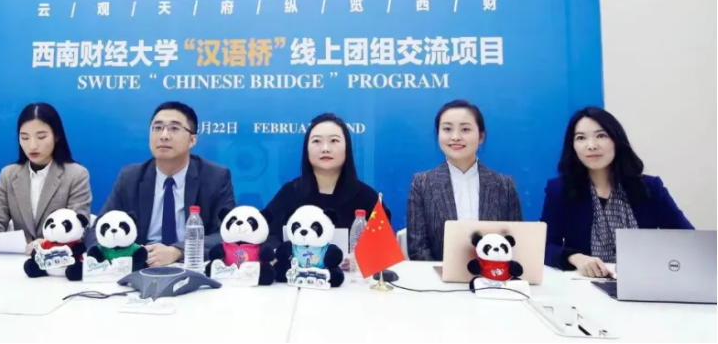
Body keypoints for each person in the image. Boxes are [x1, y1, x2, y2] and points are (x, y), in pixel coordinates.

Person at [541, 107, 693, 277]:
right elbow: (543, 247)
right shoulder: (560, 190)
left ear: (616, 140)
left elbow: (688, 239)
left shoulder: (650, 187)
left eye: (601, 136)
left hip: (645, 279)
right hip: (585, 284)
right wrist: (574, 257)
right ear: (573, 146)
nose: (591, 146)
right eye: (581, 138)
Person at [89, 101, 236, 267]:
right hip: (140, 265)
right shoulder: (130, 177)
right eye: (157, 128)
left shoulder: (215, 177)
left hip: (190, 264)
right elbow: (97, 230)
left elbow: (228, 233)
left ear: (192, 140)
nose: (164, 135)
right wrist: (124, 255)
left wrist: (177, 251)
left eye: (174, 128)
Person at [406, 99, 523, 261]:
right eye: (447, 129)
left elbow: (515, 242)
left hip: (494, 274)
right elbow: (417, 249)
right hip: (437, 275)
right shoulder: (422, 184)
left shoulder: (504, 185)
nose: (455, 137)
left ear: (481, 136)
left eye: (465, 129)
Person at [0, 103, 92, 253]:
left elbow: (80, 227)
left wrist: (49, 244)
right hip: (17, 259)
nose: (32, 146)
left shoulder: (76, 175)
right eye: (24, 137)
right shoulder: (8, 174)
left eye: (41, 137)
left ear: (57, 136)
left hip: (58, 259)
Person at [264, 113, 381, 247]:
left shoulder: (367, 197)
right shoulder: (290, 192)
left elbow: (382, 245)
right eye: (316, 141)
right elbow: (267, 234)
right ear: (306, 149)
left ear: (347, 147)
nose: (325, 149)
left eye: (334, 141)